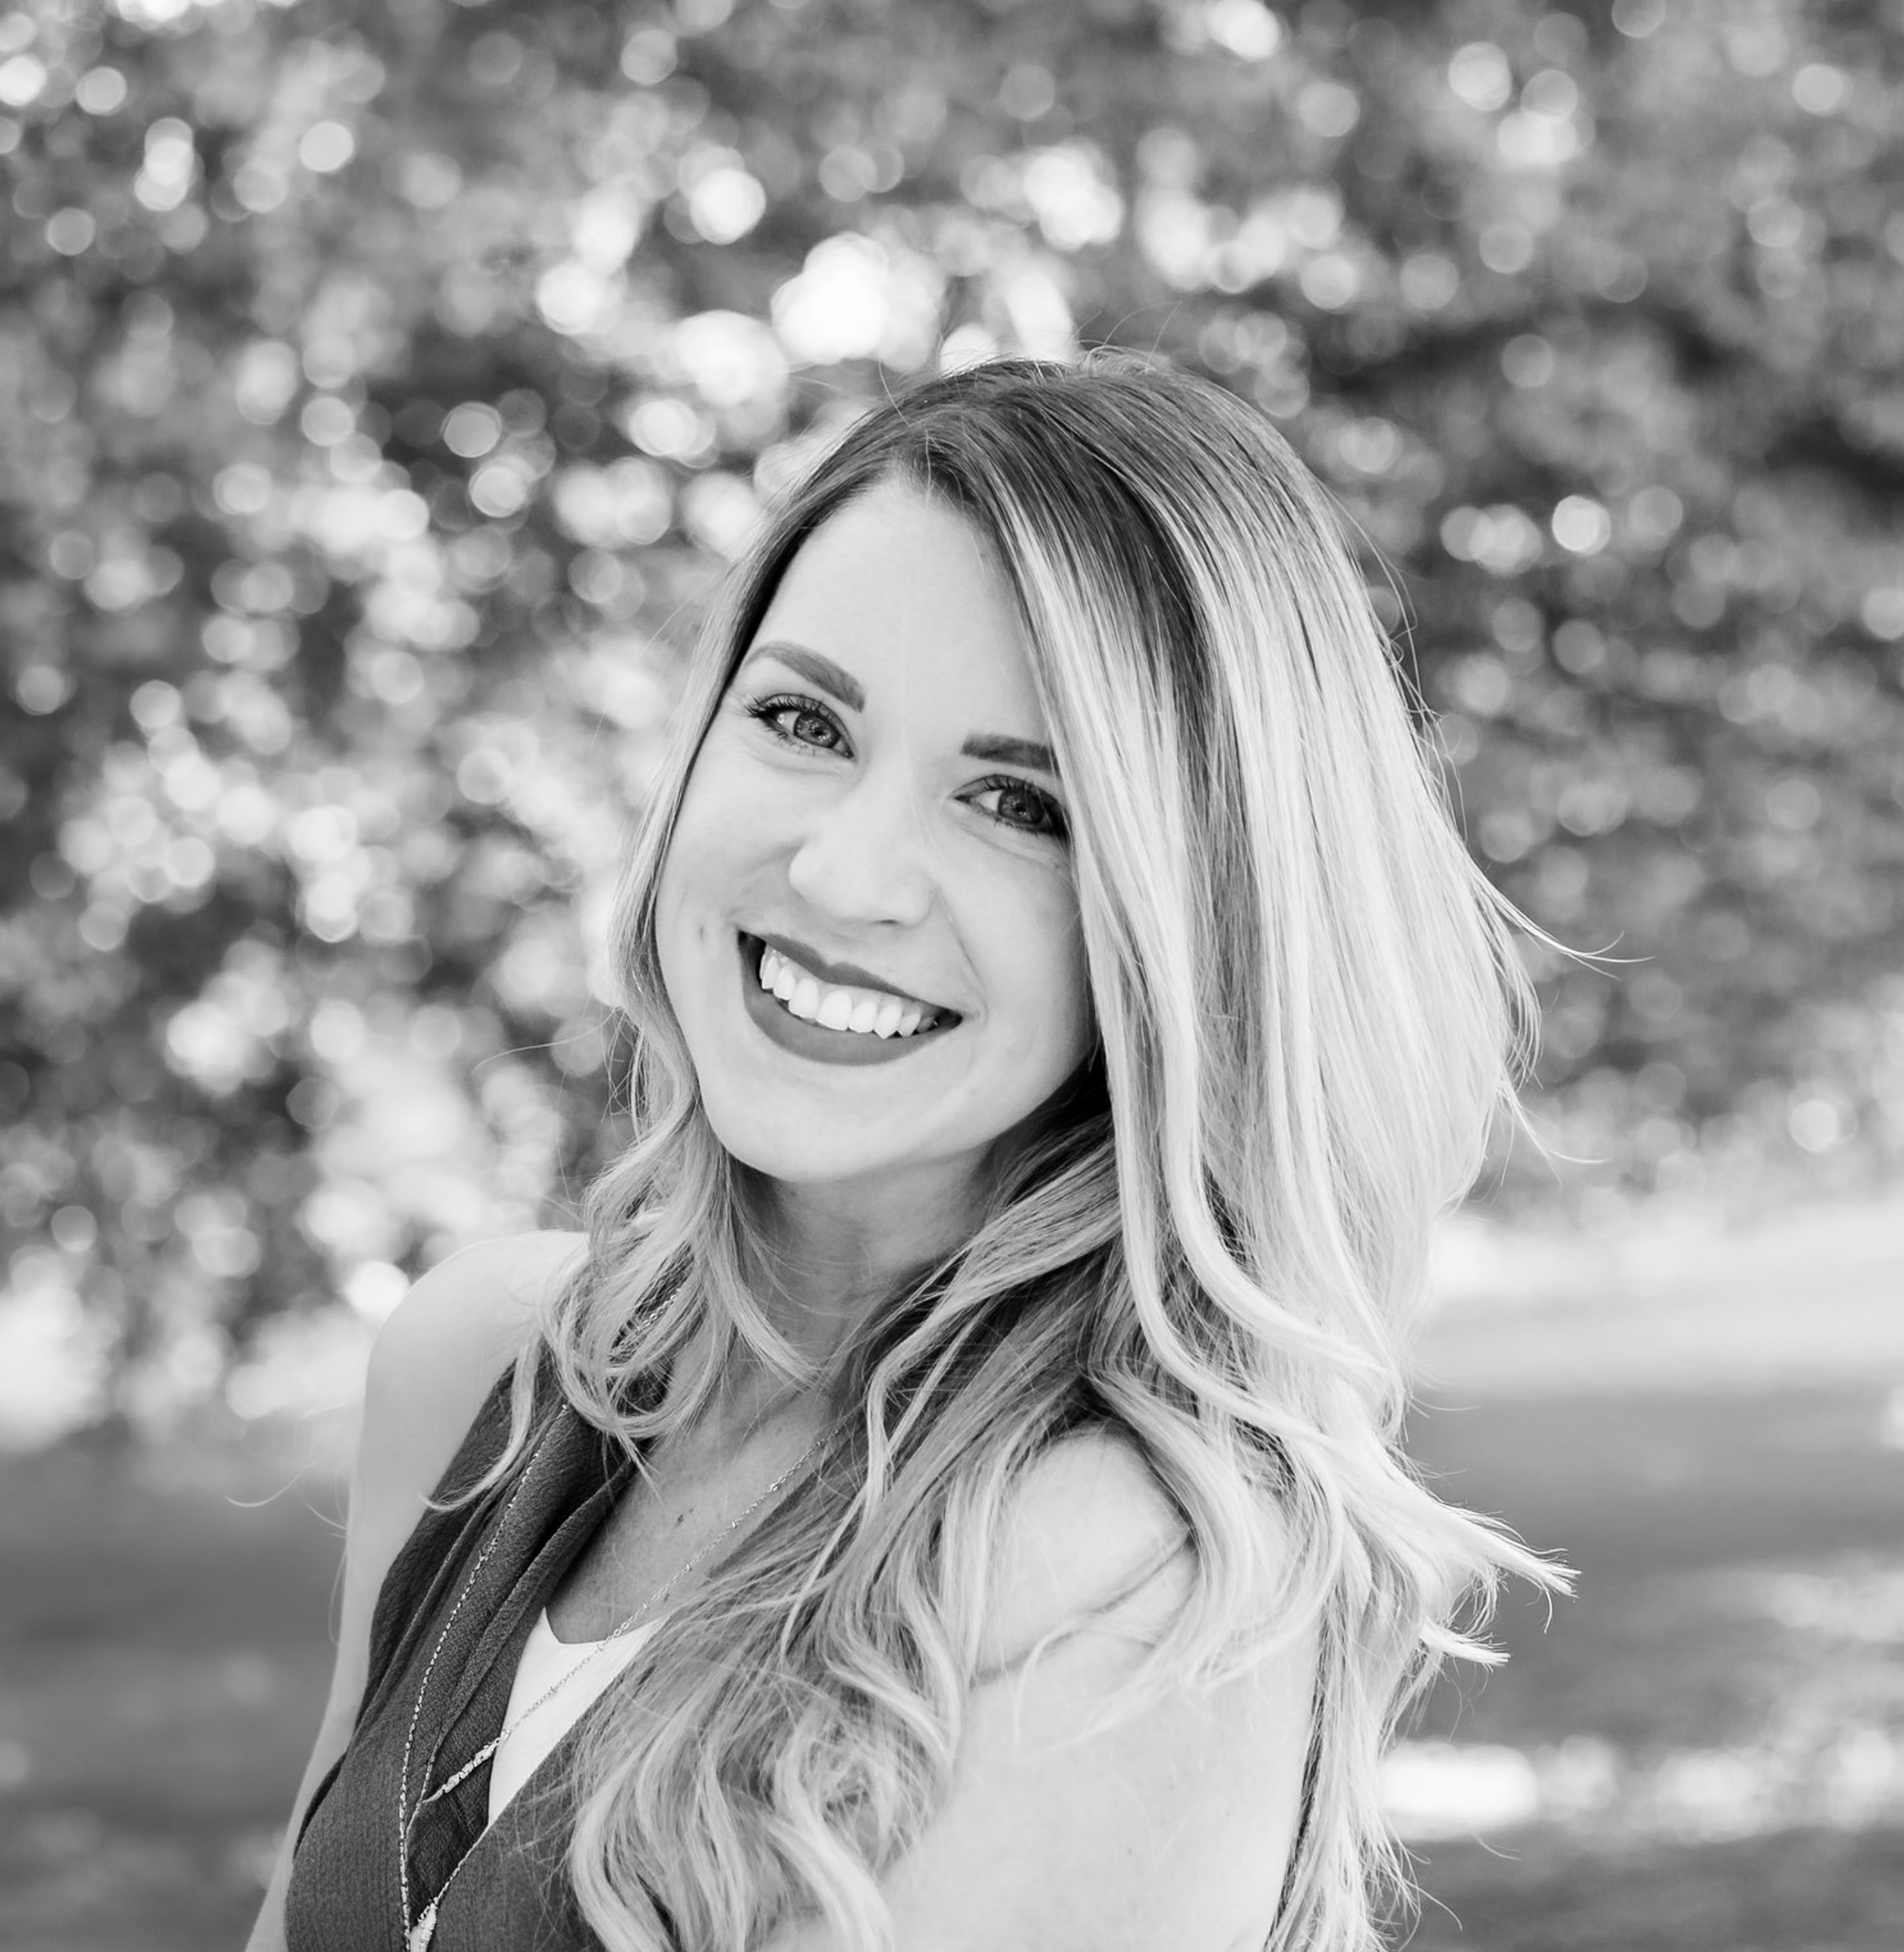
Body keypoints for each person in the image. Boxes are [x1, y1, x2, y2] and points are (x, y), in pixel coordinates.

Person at [250, 353, 1564, 1952]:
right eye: (803, 720)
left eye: (1018, 805)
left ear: (1186, 917)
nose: (849, 867)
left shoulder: (1117, 1576)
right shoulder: (479, 1369)